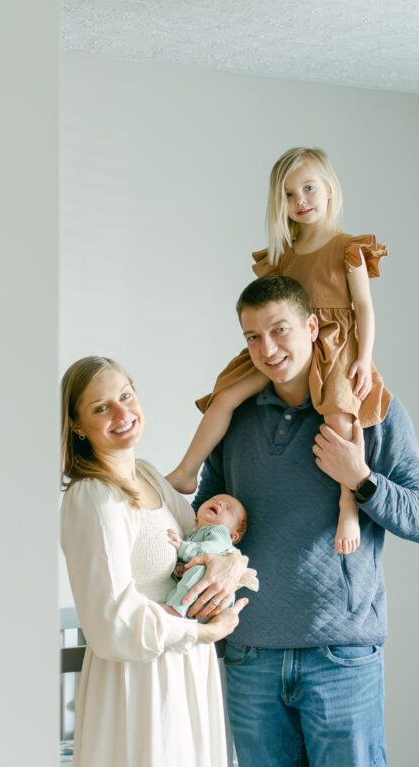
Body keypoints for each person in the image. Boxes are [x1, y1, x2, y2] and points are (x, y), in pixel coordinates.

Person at [194, 275, 419, 767]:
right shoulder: (233, 419)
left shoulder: (369, 410)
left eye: (280, 330)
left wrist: (361, 478)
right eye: (252, 336)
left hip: (342, 657)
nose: (267, 348)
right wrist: (210, 556)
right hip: (249, 655)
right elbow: (206, 511)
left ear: (311, 326)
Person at [167, 146, 390, 554]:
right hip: (289, 346)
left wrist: (363, 357)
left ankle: (348, 505)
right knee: (226, 394)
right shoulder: (284, 256)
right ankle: (186, 470)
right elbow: (272, 310)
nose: (300, 200)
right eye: (289, 194)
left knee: (339, 416)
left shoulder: (348, 249)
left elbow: (364, 307)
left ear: (329, 190)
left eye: (308, 188)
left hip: (334, 345)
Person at [60, 355, 255, 767]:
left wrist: (231, 566)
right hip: (140, 680)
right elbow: (110, 620)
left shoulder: (148, 478)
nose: (122, 412)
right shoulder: (93, 497)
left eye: (126, 396)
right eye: (101, 407)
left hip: (185, 671)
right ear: (76, 425)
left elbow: (207, 543)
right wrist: (202, 633)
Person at [166, 493, 249, 619]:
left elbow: (208, 550)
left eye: (228, 509)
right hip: (206, 599)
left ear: (232, 536)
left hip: (217, 593)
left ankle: (175, 610)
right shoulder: (194, 532)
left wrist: (183, 548)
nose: (218, 503)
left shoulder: (220, 532)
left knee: (199, 570)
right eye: (214, 499)